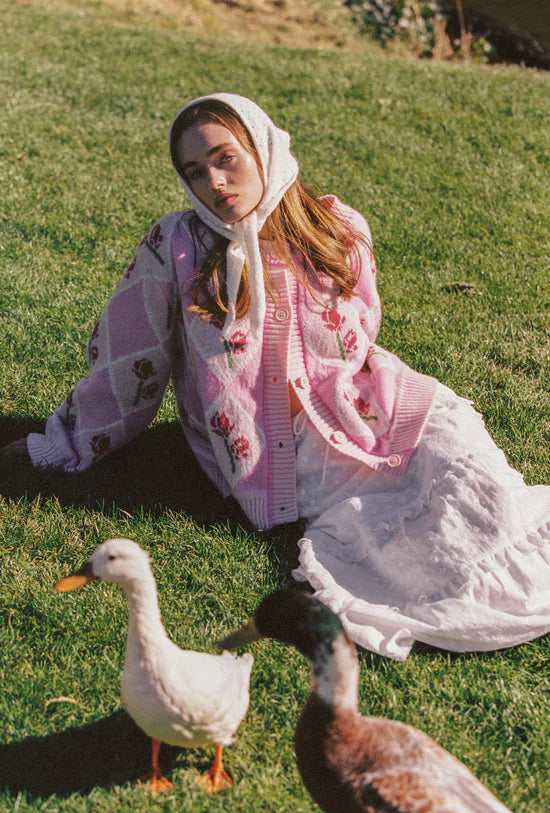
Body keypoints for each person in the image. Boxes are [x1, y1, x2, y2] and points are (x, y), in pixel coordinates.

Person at [2, 92, 550, 660]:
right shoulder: (177, 247)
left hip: (383, 406)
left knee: (475, 477)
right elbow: (128, 360)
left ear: (261, 147)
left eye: (226, 158)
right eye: (196, 170)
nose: (215, 181)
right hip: (297, 454)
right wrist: (64, 442)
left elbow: (362, 325)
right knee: (390, 546)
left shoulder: (336, 226)